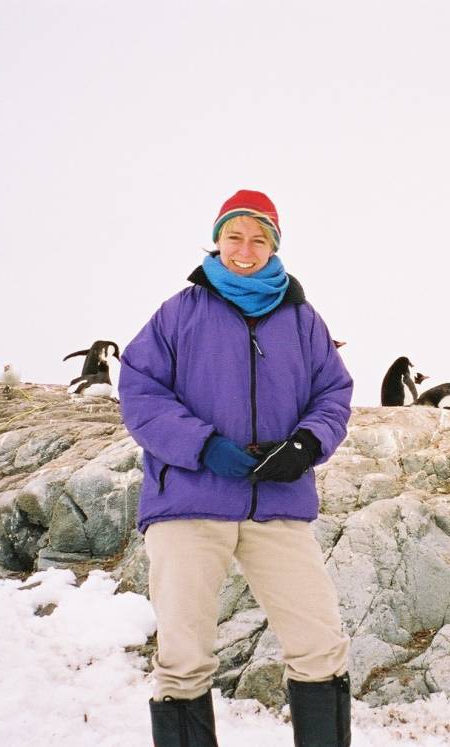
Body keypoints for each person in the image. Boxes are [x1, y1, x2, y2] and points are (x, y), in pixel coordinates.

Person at [118, 189, 354, 747]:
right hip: (190, 504)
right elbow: (140, 391)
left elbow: (333, 393)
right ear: (217, 239)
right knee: (182, 657)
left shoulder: (302, 317)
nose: (245, 250)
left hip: (277, 504)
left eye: (259, 239)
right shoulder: (180, 312)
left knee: (320, 645)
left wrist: (305, 444)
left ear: (274, 245)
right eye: (234, 237)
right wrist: (203, 446)